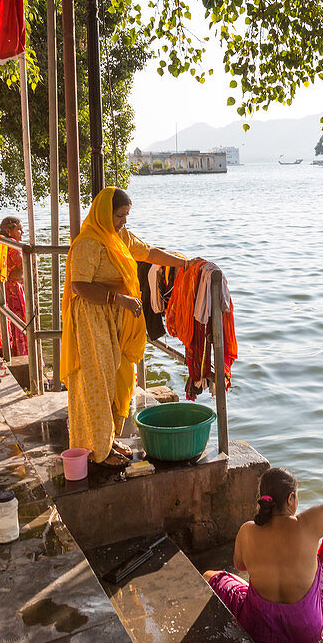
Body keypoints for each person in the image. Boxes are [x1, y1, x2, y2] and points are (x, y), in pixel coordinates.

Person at [61, 187, 196, 466]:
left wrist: (186, 264)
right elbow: (79, 286)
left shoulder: (118, 237)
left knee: (118, 376)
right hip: (92, 319)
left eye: (126, 216)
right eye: (120, 215)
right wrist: (118, 298)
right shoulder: (88, 242)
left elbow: (148, 253)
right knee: (98, 381)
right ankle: (99, 450)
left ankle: (108, 439)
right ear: (103, 213)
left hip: (115, 318)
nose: (124, 221)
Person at [204, 431, 323, 643]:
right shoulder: (308, 525)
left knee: (210, 576)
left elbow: (240, 567)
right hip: (306, 634)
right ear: (290, 499)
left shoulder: (247, 531)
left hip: (259, 632)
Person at [0, 216, 28, 356]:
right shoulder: (12, 245)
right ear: (8, 231)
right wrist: (36, 258)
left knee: (7, 318)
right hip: (13, 290)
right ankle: (18, 352)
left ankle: (7, 349)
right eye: (19, 230)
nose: (22, 233)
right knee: (18, 320)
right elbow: (25, 263)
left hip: (3, 287)